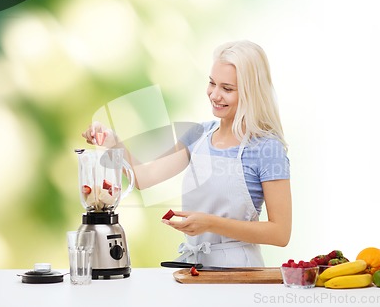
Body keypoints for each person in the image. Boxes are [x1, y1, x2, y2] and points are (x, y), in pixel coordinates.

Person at [82, 40, 292, 267]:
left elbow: (280, 233)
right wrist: (113, 142)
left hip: (239, 271)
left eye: (227, 89)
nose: (214, 95)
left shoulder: (267, 148)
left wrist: (210, 223)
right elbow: (143, 177)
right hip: (194, 267)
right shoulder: (198, 135)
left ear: (252, 92)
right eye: (212, 83)